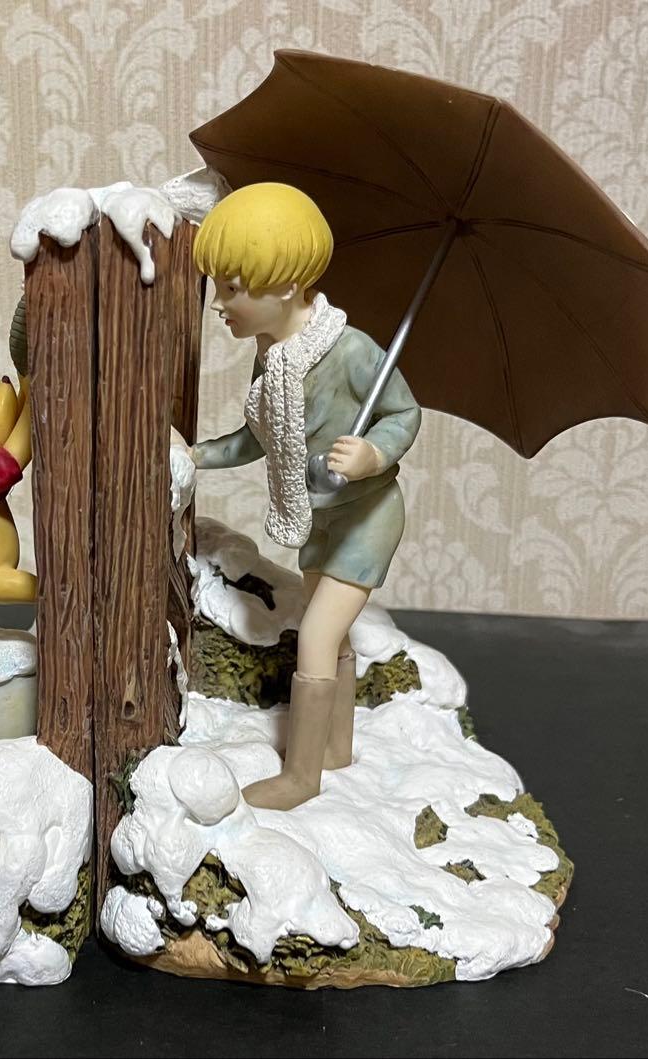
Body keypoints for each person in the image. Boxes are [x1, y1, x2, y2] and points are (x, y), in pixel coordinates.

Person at [189, 182, 421, 811]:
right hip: (319, 521)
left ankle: (301, 777)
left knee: (316, 634)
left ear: (286, 285)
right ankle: (336, 747)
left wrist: (372, 454)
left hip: (366, 517)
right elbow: (257, 438)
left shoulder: (351, 351)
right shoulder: (274, 361)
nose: (219, 303)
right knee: (333, 638)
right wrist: (198, 456)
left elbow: (403, 413)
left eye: (233, 287)